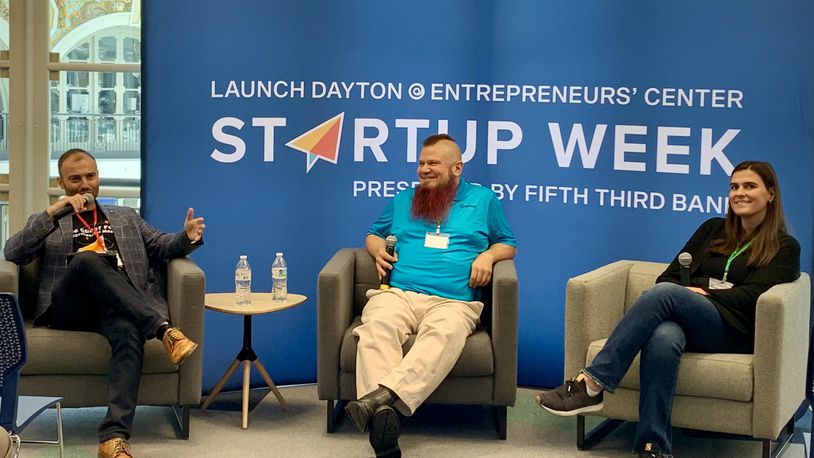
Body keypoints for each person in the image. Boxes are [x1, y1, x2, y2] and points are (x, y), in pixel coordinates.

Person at [536, 160, 801, 457]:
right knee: (664, 335)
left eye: (750, 186)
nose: (739, 193)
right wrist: (691, 294)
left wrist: (703, 292)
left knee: (665, 295)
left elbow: (752, 297)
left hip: (733, 330)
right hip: (693, 320)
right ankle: (654, 447)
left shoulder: (785, 247)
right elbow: (669, 277)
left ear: (771, 194)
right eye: (734, 187)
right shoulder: (712, 229)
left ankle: (593, 383)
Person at [3, 149, 205, 458]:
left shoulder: (126, 217)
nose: (84, 185)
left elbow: (161, 245)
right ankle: (163, 330)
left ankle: (113, 438)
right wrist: (54, 211)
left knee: (128, 332)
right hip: (71, 308)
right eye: (75, 179)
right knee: (87, 260)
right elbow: (13, 252)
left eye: (90, 177)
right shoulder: (51, 220)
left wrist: (187, 237)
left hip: (119, 305)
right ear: (61, 182)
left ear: (98, 178)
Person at [344, 134, 517, 457]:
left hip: (453, 301)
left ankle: (380, 401)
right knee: (376, 323)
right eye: (421, 163)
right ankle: (385, 417)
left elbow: (508, 242)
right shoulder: (403, 199)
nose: (424, 169)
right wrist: (378, 249)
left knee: (445, 333)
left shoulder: (483, 200)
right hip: (399, 293)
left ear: (457, 168)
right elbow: (372, 234)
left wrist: (489, 256)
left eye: (433, 163)